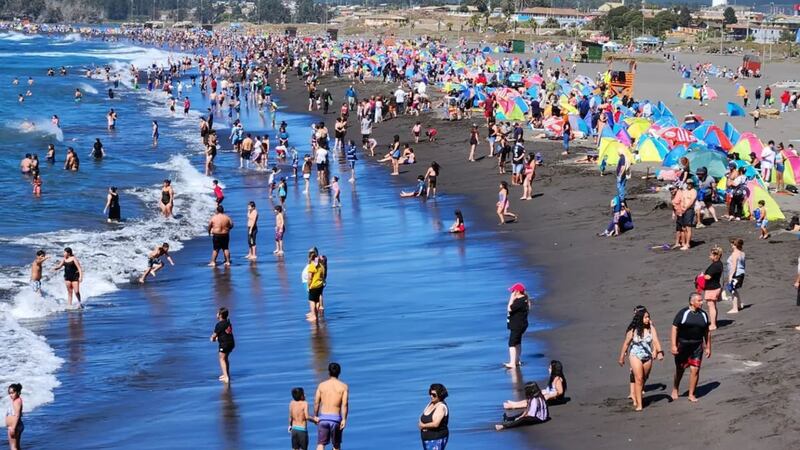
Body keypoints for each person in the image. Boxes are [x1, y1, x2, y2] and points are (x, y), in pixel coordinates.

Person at [617, 307, 664, 411]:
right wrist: (621, 357)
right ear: (640, 318)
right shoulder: (633, 330)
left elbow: (655, 340)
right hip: (635, 355)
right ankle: (639, 403)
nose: (648, 319)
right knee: (639, 378)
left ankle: (636, 396)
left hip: (647, 356)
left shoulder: (651, 328)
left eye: (648, 317)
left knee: (643, 378)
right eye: (646, 317)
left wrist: (659, 352)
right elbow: (626, 344)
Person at [671, 292, 711, 402]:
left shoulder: (703, 314)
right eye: (699, 300)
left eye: (701, 300)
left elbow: (707, 332)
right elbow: (674, 328)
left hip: (697, 345)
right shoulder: (683, 313)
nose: (701, 302)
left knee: (695, 370)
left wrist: (708, 347)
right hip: (683, 345)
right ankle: (675, 388)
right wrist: (673, 345)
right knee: (680, 369)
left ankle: (691, 394)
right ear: (691, 302)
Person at [314, 362, 349, 450]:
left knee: (321, 444)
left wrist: (315, 416)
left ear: (329, 372)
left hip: (323, 418)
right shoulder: (343, 387)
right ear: (339, 372)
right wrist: (344, 419)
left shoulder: (321, 385)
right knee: (336, 445)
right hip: (335, 419)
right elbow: (344, 404)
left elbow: (316, 402)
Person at [505, 283, 530, 369]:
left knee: (511, 343)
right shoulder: (524, 299)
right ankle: (516, 360)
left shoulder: (520, 301)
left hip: (517, 325)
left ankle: (512, 363)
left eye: (513, 291)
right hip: (521, 324)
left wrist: (511, 299)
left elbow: (509, 308)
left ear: (518, 292)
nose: (512, 292)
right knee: (518, 342)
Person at [418, 383, 449, 449]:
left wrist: (423, 426)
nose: (431, 396)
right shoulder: (431, 403)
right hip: (427, 439)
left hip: (436, 439)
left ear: (440, 395)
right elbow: (423, 415)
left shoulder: (441, 407)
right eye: (430, 394)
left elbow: (436, 424)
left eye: (434, 395)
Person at [701, 246, 724, 331]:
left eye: (711, 255)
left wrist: (701, 277)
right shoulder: (718, 264)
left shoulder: (715, 265)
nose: (709, 256)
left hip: (712, 288)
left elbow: (708, 277)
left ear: (715, 256)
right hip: (715, 287)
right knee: (713, 306)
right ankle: (714, 322)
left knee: (711, 306)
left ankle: (713, 324)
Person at [210, 307, 234, 384]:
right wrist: (217, 337)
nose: (216, 314)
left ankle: (226, 377)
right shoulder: (228, 322)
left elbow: (214, 335)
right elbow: (225, 333)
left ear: (220, 315)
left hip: (224, 344)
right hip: (231, 343)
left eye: (217, 313)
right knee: (225, 358)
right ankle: (226, 374)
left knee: (222, 359)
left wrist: (212, 338)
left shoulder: (219, 325)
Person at [725, 238, 746, 314]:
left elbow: (734, 267)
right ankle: (739, 305)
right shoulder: (742, 253)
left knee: (732, 290)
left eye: (733, 244)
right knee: (734, 290)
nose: (731, 245)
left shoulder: (735, 254)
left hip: (736, 274)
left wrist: (730, 276)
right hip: (741, 273)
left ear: (735, 245)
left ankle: (735, 308)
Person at [305, 253, 326, 322]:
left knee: (311, 301)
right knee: (317, 301)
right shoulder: (321, 266)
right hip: (320, 285)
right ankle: (316, 315)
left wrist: (308, 286)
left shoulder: (312, 266)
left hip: (314, 286)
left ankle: (314, 316)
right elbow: (323, 276)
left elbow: (309, 278)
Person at [6, 383, 23, 450]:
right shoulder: (17, 400)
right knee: (17, 447)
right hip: (16, 426)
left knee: (13, 448)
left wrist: (13, 428)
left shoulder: (17, 401)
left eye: (12, 393)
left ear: (18, 392)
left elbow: (17, 415)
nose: (11, 395)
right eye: (9, 393)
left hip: (15, 426)